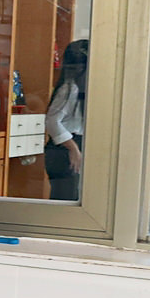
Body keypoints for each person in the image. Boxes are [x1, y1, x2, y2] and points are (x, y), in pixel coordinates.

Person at [44, 39, 88, 201]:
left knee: (71, 198)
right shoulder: (70, 89)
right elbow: (52, 121)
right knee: (66, 199)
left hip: (70, 147)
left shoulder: (81, 88)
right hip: (65, 149)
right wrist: (73, 149)